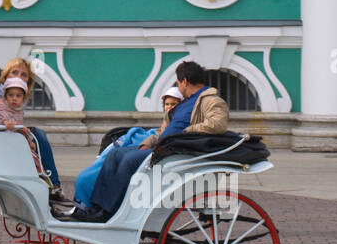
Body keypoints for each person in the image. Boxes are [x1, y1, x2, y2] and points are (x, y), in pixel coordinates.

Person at [60, 61, 230, 223]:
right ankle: (98, 207)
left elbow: (218, 124)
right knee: (115, 153)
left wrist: (185, 134)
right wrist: (148, 141)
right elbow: (164, 131)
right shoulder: (186, 103)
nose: (179, 87)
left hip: (176, 152)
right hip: (164, 147)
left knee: (128, 160)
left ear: (184, 81)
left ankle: (109, 210)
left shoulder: (210, 100)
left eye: (178, 83)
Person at [62, 86, 183, 214]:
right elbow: (159, 134)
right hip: (152, 141)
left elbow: (164, 136)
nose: (169, 107)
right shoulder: (169, 118)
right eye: (167, 104)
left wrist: (148, 142)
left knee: (126, 159)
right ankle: (98, 202)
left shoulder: (178, 118)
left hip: (161, 147)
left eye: (173, 104)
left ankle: (110, 207)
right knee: (114, 153)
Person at [0, 58, 68, 205]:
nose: (18, 77)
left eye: (24, 75)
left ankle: (49, 187)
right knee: (38, 135)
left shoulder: (19, 96)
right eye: (14, 72)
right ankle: (53, 186)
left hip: (12, 134)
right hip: (0, 135)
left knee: (37, 138)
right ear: (6, 74)